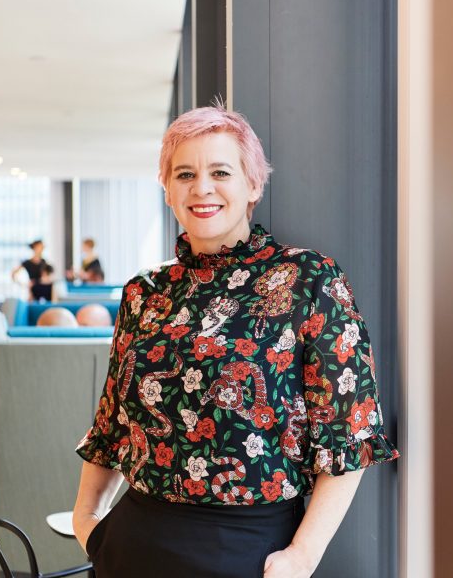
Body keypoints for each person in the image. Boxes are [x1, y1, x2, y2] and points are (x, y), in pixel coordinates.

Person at [72, 104, 400, 578]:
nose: (201, 187)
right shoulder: (144, 292)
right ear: (167, 190)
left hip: (249, 551)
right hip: (133, 544)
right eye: (184, 173)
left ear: (253, 185)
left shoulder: (309, 280)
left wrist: (303, 556)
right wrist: (89, 522)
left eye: (220, 171)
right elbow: (112, 423)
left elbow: (349, 434)